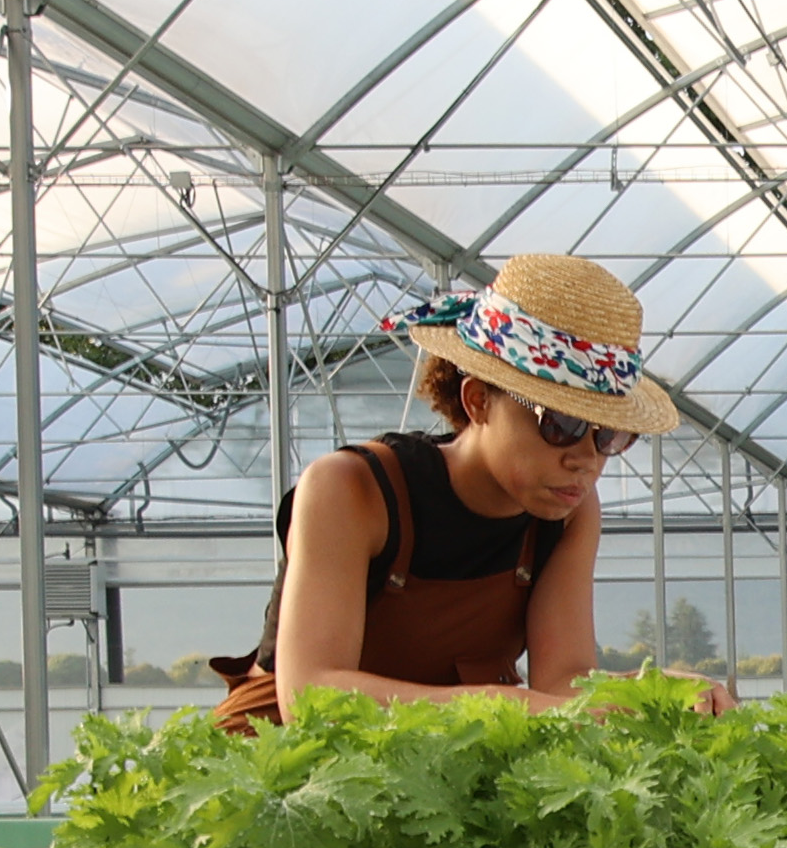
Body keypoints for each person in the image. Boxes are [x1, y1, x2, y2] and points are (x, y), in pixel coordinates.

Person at [213, 252, 726, 728]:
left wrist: (657, 689)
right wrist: (510, 702)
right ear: (479, 400)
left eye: (609, 434)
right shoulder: (352, 489)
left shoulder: (569, 513)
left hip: (448, 760)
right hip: (283, 757)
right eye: (562, 424)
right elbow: (311, 697)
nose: (585, 459)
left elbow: (562, 683)